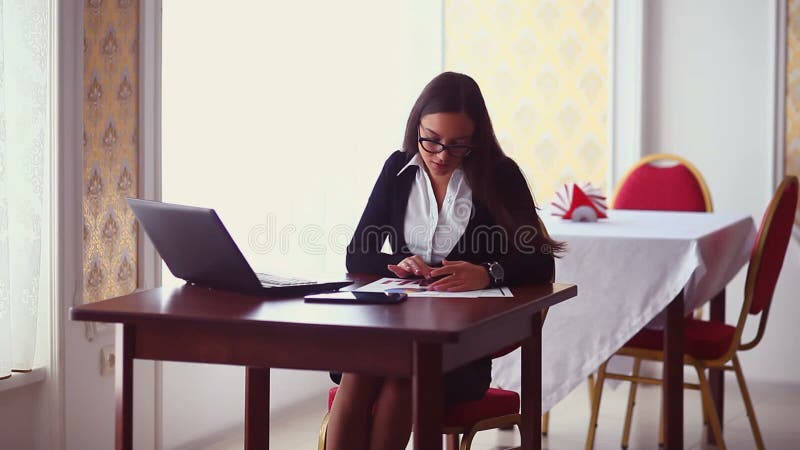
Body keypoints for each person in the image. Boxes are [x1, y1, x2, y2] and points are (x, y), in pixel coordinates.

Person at [325, 71, 561, 450]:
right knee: (360, 366)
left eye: (457, 146)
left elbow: (540, 262)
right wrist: (401, 261)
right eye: (431, 140)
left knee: (405, 378)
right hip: (394, 331)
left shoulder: (501, 176)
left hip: (458, 350)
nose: (440, 155)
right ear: (416, 126)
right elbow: (358, 251)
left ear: (476, 140)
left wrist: (487, 273)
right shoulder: (397, 169)